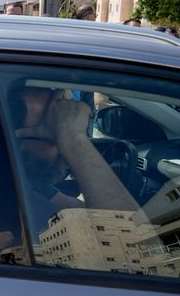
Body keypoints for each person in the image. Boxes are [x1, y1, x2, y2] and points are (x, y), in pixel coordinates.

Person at [9, 86, 137, 232]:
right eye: (52, 118)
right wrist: (74, 138)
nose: (67, 107)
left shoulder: (28, 181)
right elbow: (134, 242)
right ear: (16, 131)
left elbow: (69, 204)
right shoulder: (24, 205)